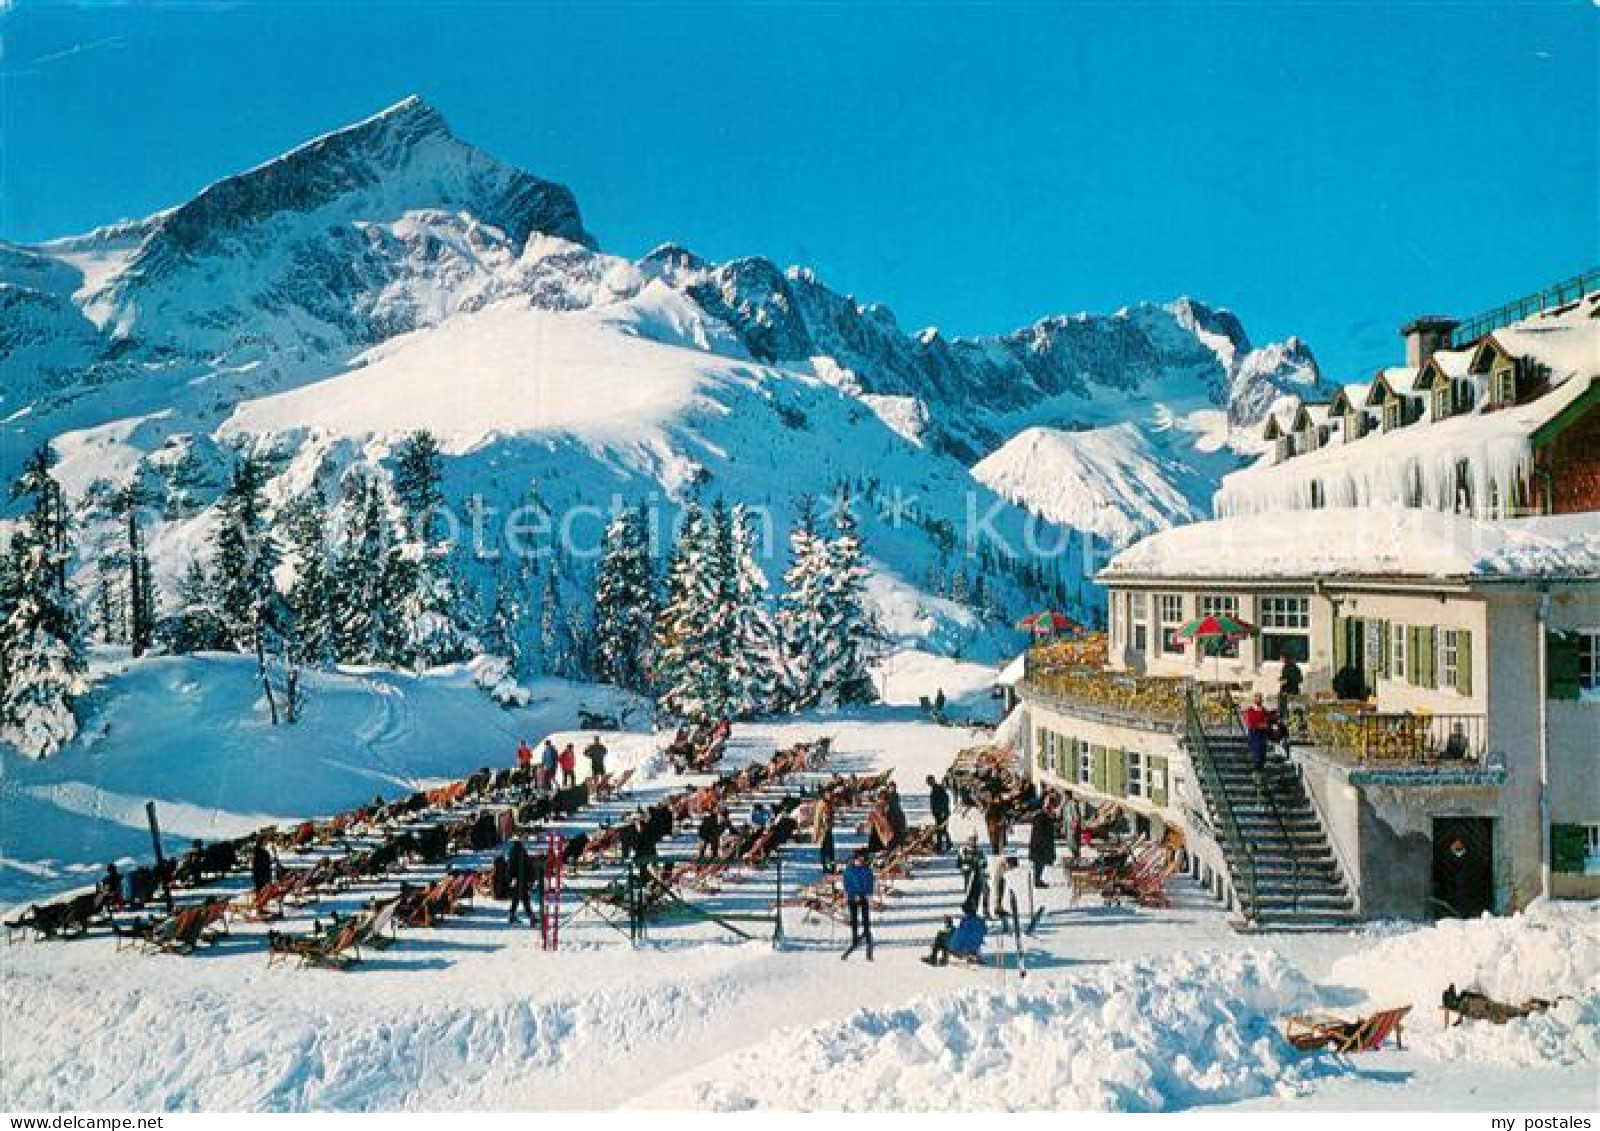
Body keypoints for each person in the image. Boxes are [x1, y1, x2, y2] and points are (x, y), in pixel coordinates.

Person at [841, 850, 875, 960]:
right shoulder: (849, 870)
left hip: (864, 896)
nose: (861, 861)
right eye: (859, 859)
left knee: (866, 917)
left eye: (862, 859)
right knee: (854, 918)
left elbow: (870, 882)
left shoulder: (867, 869)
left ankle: (867, 933)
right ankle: (855, 936)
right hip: (853, 897)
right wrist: (852, 894)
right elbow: (847, 884)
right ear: (855, 859)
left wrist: (869, 894)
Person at [1242, 692, 1275, 772]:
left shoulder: (1264, 710)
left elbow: (1268, 719)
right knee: (1256, 750)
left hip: (1262, 733)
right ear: (1254, 699)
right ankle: (1256, 767)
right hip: (1254, 733)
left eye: (1260, 698)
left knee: (1262, 750)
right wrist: (1259, 725)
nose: (1259, 700)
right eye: (1258, 698)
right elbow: (1249, 722)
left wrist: (1268, 724)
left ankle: (1260, 767)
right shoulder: (1250, 710)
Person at [1028, 803, 1058, 887]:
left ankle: (1037, 880)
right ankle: (1037, 881)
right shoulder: (1042, 819)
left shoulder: (1041, 818)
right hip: (1040, 847)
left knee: (1039, 865)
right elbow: (1042, 833)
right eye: (1051, 811)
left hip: (1039, 846)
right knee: (1039, 865)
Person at [957, 834, 987, 916]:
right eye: (971, 839)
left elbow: (984, 862)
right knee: (969, 891)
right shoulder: (963, 849)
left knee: (978, 892)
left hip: (978, 874)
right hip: (968, 873)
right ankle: (968, 909)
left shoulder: (979, 850)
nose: (973, 841)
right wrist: (966, 865)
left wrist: (981, 863)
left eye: (974, 839)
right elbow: (959, 862)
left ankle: (976, 910)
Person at [507, 838, 535, 925]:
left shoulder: (512, 854)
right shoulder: (523, 853)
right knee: (524, 898)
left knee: (518, 898)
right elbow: (529, 867)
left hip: (517, 880)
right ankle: (530, 917)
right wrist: (531, 880)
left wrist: (510, 879)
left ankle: (513, 915)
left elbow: (510, 868)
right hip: (522, 880)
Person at [926, 774, 952, 852]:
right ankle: (947, 844)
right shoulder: (934, 789)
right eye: (928, 782)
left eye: (930, 781)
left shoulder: (939, 788)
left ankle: (941, 846)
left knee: (941, 830)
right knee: (941, 830)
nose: (929, 784)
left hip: (942, 813)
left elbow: (945, 800)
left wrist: (943, 811)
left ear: (933, 780)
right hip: (938, 814)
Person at [813, 793, 837, 873]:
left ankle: (826, 867)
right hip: (825, 830)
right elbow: (825, 817)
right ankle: (831, 867)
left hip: (821, 830)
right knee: (829, 850)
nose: (831, 797)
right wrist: (829, 824)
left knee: (824, 849)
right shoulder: (825, 804)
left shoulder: (821, 803)